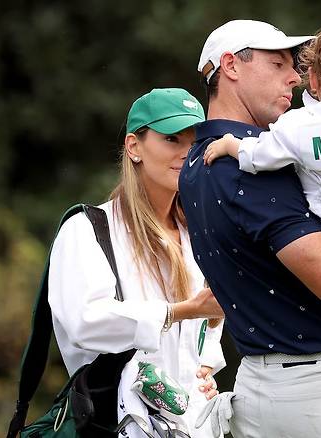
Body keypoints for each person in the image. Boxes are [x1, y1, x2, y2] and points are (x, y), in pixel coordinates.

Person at [180, 19, 321, 437]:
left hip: (258, 386)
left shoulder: (196, 164)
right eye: (277, 64)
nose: (295, 76)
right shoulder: (251, 164)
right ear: (231, 66)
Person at [48, 88, 226, 437]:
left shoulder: (199, 233)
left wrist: (203, 369)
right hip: (113, 425)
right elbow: (85, 322)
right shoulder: (88, 229)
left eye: (194, 143)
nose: (185, 154)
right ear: (134, 147)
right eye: (171, 139)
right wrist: (180, 311)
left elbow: (204, 333)